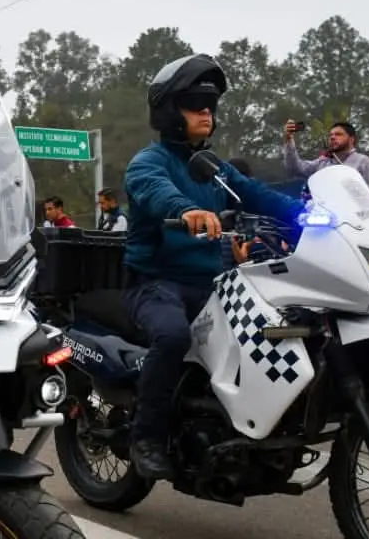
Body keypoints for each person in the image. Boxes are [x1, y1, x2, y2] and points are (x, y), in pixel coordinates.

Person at [123, 54, 304, 480]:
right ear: (170, 112)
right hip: (155, 284)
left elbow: (259, 194)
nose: (207, 112)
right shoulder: (148, 163)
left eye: (210, 105)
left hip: (212, 286)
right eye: (194, 104)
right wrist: (186, 209)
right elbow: (156, 190)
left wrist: (314, 215)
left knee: (276, 326)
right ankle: (145, 436)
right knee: (171, 336)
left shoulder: (215, 168)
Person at [281, 119, 369, 195]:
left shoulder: (365, 163)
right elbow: (294, 168)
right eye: (331, 135)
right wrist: (289, 140)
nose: (332, 137)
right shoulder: (323, 162)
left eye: (338, 134)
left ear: (351, 139)